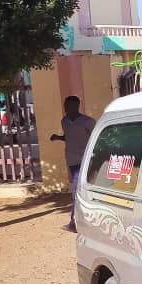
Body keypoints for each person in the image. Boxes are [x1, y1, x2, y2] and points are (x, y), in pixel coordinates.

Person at [50, 96, 96, 233]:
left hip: (86, 160)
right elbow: (69, 136)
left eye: (69, 105)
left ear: (76, 106)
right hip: (71, 160)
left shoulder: (87, 121)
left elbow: (95, 137)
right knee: (80, 190)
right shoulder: (64, 121)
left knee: (77, 190)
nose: (66, 108)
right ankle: (84, 220)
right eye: (65, 105)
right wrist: (58, 137)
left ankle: (74, 222)